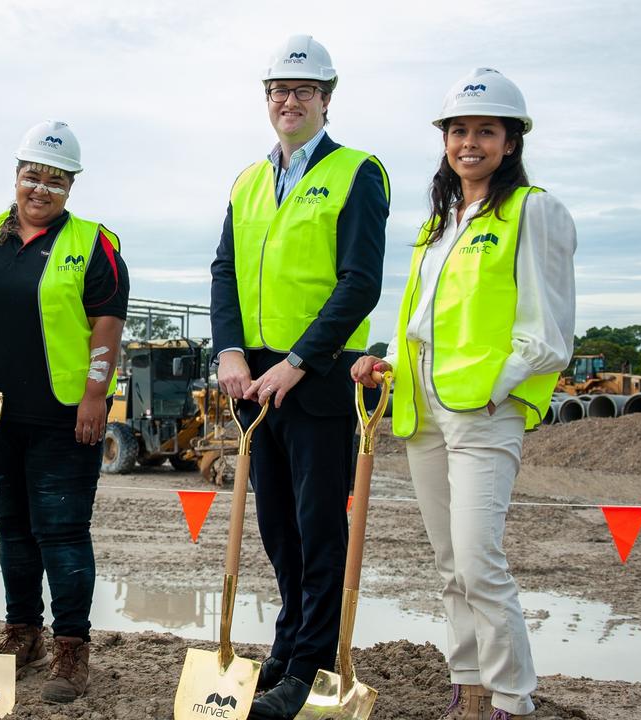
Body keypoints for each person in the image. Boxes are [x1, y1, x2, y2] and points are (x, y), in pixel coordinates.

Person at [352, 68, 576, 720]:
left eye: (485, 130)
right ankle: (470, 685)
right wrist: (385, 364)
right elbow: (423, 321)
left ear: (511, 142)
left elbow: (548, 333)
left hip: (483, 409)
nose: (469, 142)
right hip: (422, 405)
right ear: (445, 140)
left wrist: (492, 391)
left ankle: (512, 699)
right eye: (458, 130)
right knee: (449, 565)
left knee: (481, 564)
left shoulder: (531, 211)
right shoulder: (440, 223)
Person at [209, 34, 389, 720]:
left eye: (303, 91)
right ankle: (290, 646)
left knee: (318, 526)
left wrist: (299, 360)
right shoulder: (249, 180)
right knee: (278, 527)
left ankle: (311, 663)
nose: (288, 101)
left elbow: (359, 283)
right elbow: (225, 270)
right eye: (278, 91)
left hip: (313, 378)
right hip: (254, 380)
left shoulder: (357, 172)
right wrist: (229, 349)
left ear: (327, 100)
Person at [0, 120, 129, 703]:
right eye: (32, 177)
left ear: (71, 185)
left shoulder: (94, 244)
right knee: (12, 527)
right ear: (16, 176)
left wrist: (95, 395)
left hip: (66, 416)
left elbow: (106, 325)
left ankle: (71, 648)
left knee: (63, 531)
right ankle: (23, 633)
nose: (41, 189)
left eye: (56, 180)